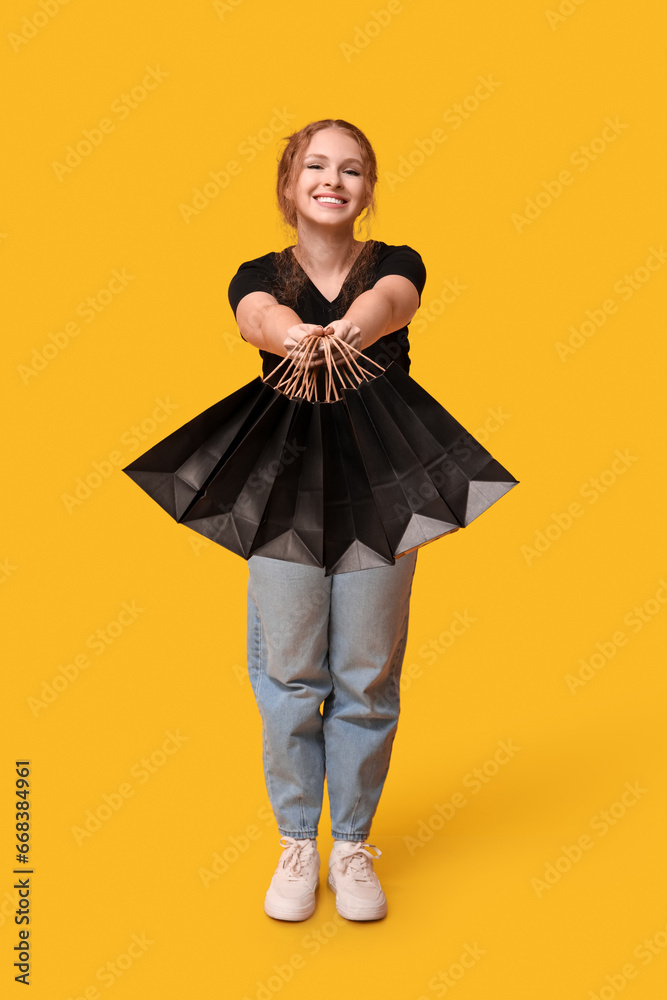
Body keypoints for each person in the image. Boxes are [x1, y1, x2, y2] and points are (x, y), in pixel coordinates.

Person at [227, 118, 427, 922]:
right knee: (289, 673)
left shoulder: (396, 264)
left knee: (367, 672)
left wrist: (350, 328)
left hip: (384, 485)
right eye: (315, 165)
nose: (331, 179)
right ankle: (296, 842)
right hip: (283, 493)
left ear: (366, 190)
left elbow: (391, 304)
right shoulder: (258, 271)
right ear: (289, 186)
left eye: (350, 169)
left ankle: (349, 843)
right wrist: (292, 335)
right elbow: (254, 316)